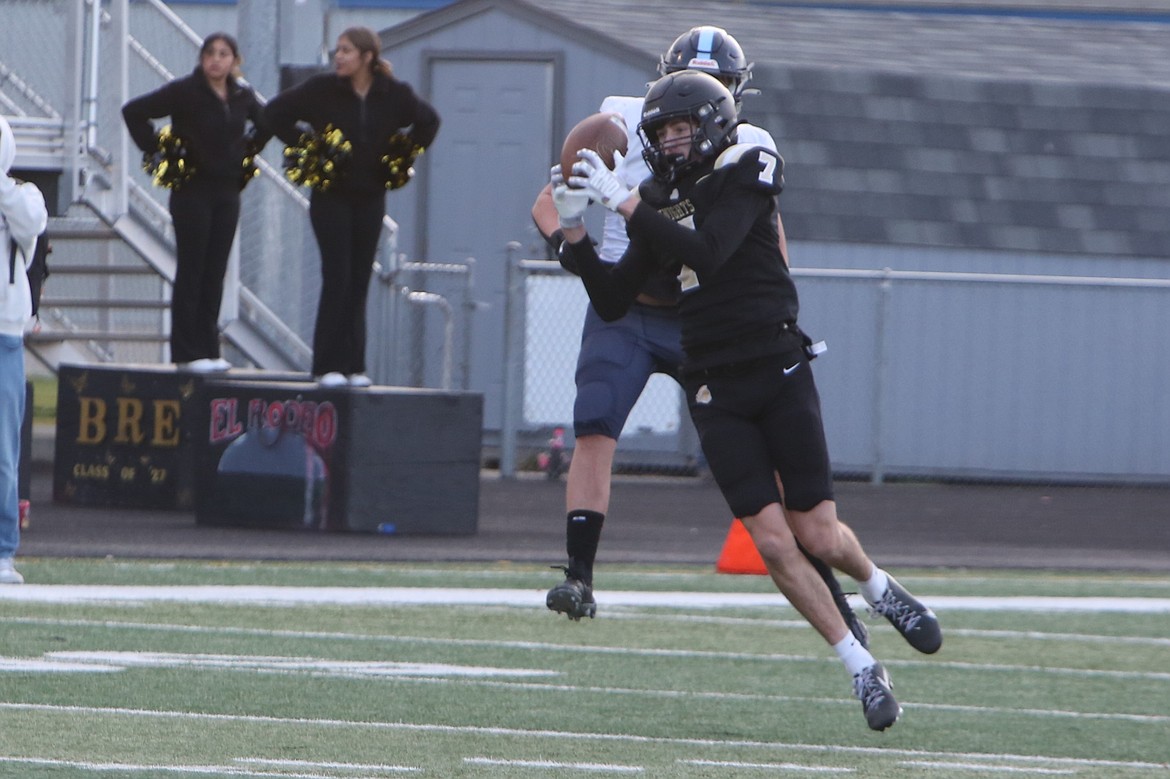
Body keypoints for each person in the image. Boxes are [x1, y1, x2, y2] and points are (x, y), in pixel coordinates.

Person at [553, 70, 942, 731]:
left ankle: (877, 586)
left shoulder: (749, 160)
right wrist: (573, 233)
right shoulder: (654, 196)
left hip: (777, 362)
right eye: (664, 132)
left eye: (682, 128)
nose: (673, 142)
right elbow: (615, 299)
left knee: (816, 529)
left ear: (712, 122)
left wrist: (626, 206)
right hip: (713, 382)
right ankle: (860, 667)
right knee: (769, 540)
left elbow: (709, 247)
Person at [533, 26, 867, 647]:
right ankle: (579, 572)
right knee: (594, 424)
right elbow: (548, 201)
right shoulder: (622, 123)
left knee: (764, 472)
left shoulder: (748, 146)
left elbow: (763, 233)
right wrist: (569, 239)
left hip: (705, 317)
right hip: (629, 305)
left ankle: (834, 592)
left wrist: (773, 309)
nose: (679, 130)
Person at [264, 26, 440, 388]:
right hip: (331, 195)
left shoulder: (394, 94)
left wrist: (402, 154)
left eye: (346, 51)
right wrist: (309, 145)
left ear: (367, 57)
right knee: (337, 275)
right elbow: (273, 114)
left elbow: (428, 121)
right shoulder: (321, 89)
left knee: (360, 279)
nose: (338, 57)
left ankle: (353, 367)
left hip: (371, 196)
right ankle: (326, 366)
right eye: (337, 51)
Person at [122, 32, 271, 373]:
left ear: (234, 60)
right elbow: (134, 112)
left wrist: (247, 151)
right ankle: (186, 354)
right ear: (202, 59)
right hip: (191, 191)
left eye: (223, 54)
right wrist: (159, 149)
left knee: (215, 271)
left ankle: (209, 349)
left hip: (227, 191)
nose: (216, 60)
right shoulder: (183, 92)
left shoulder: (242, 95)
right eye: (210, 53)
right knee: (193, 268)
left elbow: (267, 123)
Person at [1, 115, 49, 585]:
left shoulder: (25, 196)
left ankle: (1, 549)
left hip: (4, 336)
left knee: (2, 450)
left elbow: (31, 224)